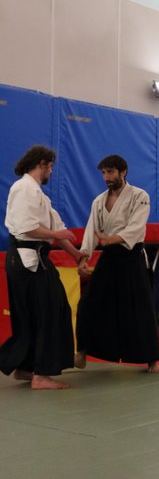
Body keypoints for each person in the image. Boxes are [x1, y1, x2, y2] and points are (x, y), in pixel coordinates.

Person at [0, 145, 81, 389]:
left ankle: (25, 367)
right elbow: (28, 228)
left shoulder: (38, 194)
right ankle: (41, 374)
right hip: (27, 259)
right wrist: (57, 234)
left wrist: (76, 254)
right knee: (50, 312)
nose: (51, 172)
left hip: (31, 260)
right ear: (42, 164)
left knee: (33, 315)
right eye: (51, 167)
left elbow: (57, 229)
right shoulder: (24, 188)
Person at [75, 155, 159, 372]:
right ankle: (83, 350)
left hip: (131, 255)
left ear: (123, 172)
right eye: (104, 173)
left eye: (111, 172)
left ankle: (151, 359)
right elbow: (91, 231)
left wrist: (110, 239)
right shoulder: (98, 201)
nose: (106, 177)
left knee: (139, 307)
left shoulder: (140, 196)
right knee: (89, 303)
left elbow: (136, 227)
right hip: (109, 257)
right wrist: (84, 256)